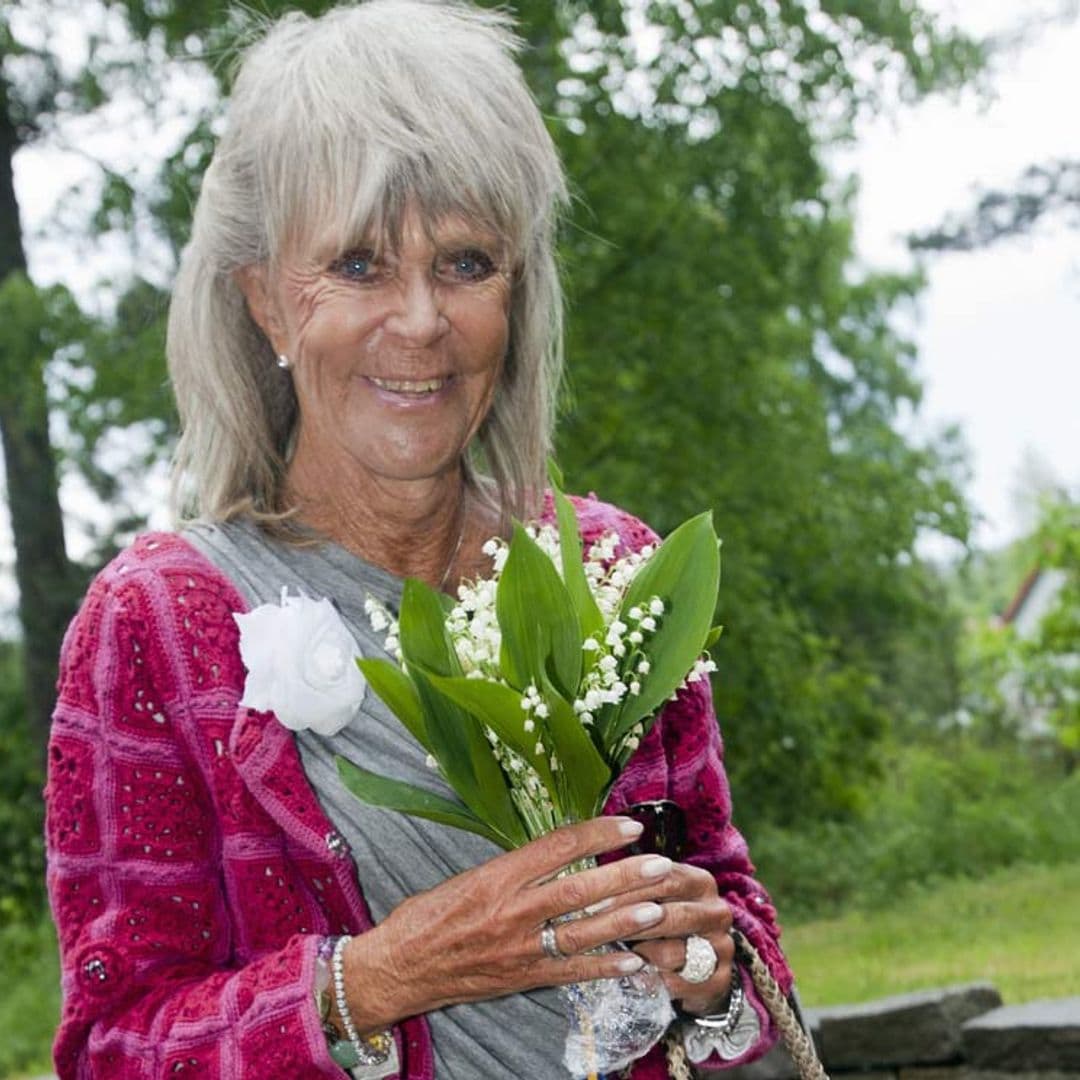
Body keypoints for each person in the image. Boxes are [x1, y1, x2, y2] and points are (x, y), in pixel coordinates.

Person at [44, 2, 793, 1076]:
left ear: (517, 290)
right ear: (266, 304)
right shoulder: (160, 622)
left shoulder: (613, 572)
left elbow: (744, 947)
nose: (421, 321)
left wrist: (712, 971)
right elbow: (114, 1051)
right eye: (357, 265)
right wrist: (383, 979)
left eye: (464, 263)